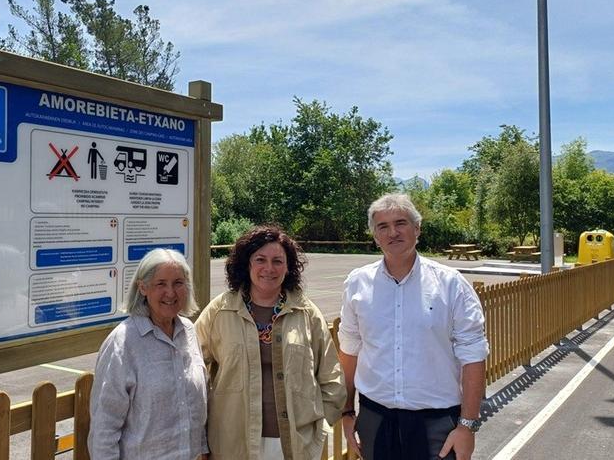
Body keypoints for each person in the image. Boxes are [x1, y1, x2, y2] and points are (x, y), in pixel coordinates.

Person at [338, 194, 489, 460]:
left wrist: (467, 426)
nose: (392, 232)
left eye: (401, 223)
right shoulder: (357, 284)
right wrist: (347, 411)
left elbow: (473, 355)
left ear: (417, 229)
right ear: (375, 236)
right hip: (376, 418)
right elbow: (350, 351)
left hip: (437, 423)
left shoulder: (451, 284)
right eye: (383, 226)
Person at [195, 225, 345, 459]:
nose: (269, 268)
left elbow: (332, 376)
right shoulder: (220, 311)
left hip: (295, 445)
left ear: (288, 267)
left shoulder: (306, 313)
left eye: (277, 261)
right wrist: (199, 430)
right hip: (233, 444)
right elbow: (192, 369)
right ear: (247, 264)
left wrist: (319, 426)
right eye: (260, 260)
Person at [88, 248, 208, 460]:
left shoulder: (188, 331)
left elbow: (197, 407)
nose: (171, 292)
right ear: (143, 287)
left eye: (178, 283)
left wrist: (202, 448)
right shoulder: (123, 342)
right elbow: (103, 428)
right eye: (161, 284)